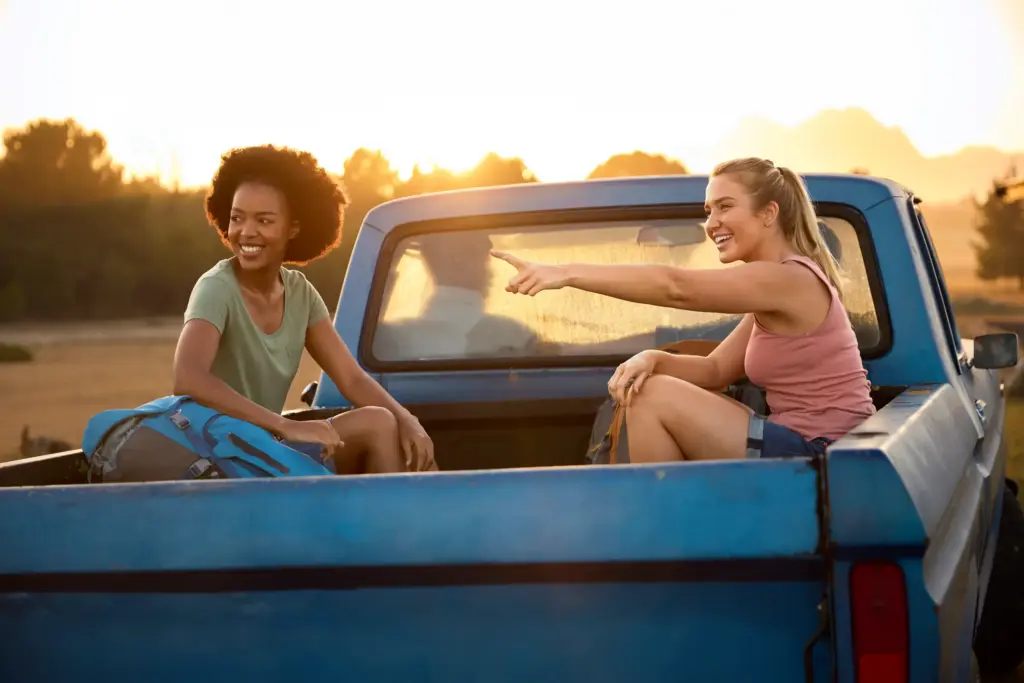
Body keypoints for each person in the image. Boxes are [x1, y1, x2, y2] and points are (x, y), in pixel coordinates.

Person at [490, 157, 875, 462]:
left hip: (826, 452)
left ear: (768, 214)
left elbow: (678, 288)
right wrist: (653, 357)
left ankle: (661, 538)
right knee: (647, 387)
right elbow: (716, 370)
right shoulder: (771, 290)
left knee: (649, 398)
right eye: (709, 210)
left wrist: (566, 272)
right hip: (803, 442)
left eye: (725, 207)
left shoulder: (789, 281)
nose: (712, 223)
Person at [173, 144, 436, 473]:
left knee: (386, 422)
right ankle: (384, 523)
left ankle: (389, 521)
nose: (245, 232)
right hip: (218, 448)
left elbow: (352, 379)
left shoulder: (300, 292)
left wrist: (409, 421)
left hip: (264, 443)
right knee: (377, 424)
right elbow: (188, 378)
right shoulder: (216, 288)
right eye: (237, 218)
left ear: (294, 228)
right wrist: (285, 426)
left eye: (264, 220)